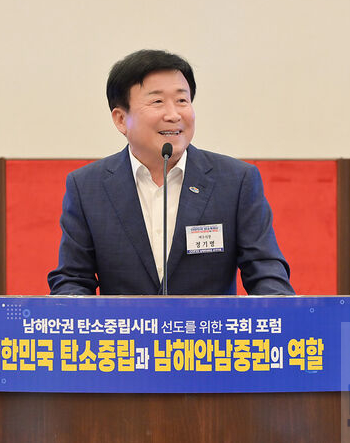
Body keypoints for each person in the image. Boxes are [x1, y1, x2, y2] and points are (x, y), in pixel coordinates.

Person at [47, 49, 294, 295]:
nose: (174, 115)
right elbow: (73, 279)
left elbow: (266, 272)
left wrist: (281, 308)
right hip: (126, 323)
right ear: (121, 119)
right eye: (157, 102)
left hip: (208, 323)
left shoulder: (235, 181)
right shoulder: (87, 187)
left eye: (182, 100)